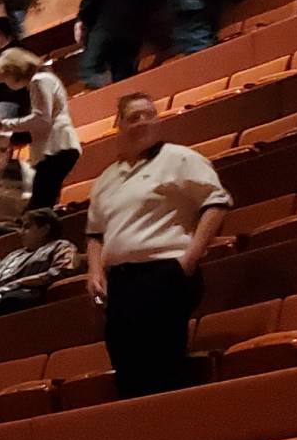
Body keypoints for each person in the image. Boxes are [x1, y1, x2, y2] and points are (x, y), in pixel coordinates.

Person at [87, 93, 232, 398]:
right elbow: (96, 232)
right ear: (119, 125)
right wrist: (94, 272)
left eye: (149, 115)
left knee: (163, 366)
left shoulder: (180, 158)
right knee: (126, 368)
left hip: (164, 272)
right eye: (133, 117)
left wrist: (189, 259)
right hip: (122, 282)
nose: (142, 122)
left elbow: (216, 203)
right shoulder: (106, 178)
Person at [0, 50, 83, 210]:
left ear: (14, 71)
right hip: (57, 146)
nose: (7, 84)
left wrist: (6, 124)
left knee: (39, 208)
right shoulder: (45, 79)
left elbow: (42, 120)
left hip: (55, 148)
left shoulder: (39, 81)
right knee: (43, 204)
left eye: (6, 78)